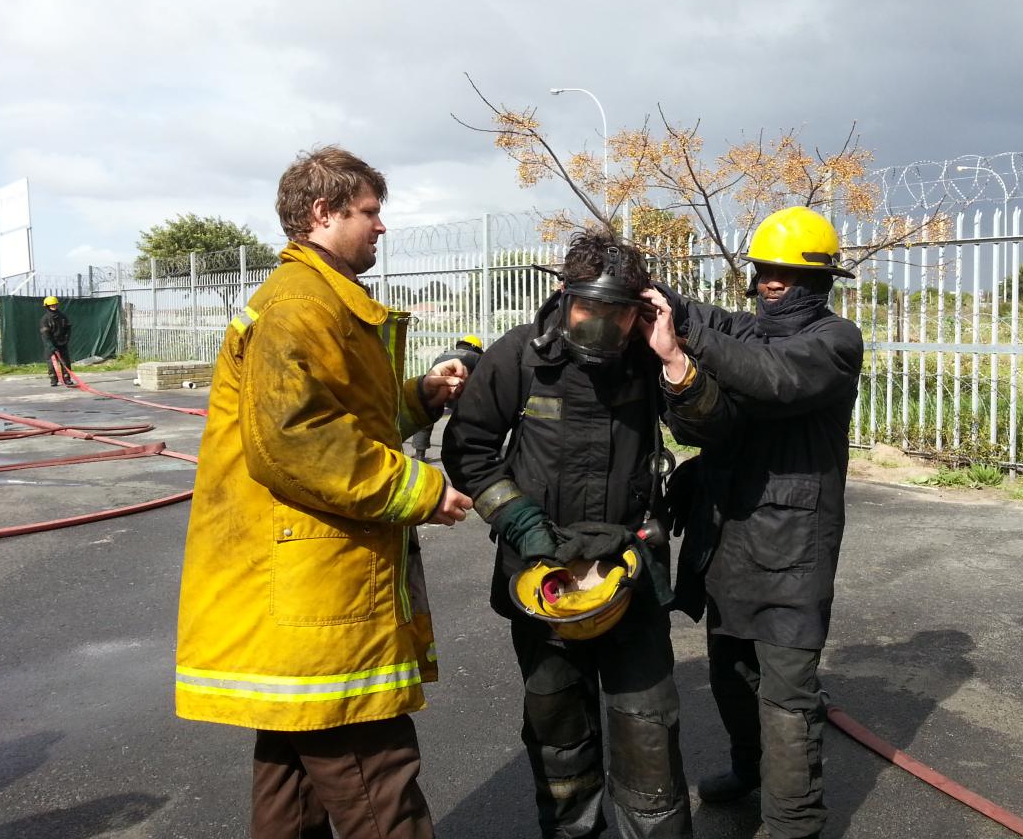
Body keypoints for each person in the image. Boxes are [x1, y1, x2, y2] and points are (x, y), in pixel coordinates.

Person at [174, 146, 474, 839]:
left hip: (298, 602)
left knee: (292, 791)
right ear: (323, 213)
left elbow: (345, 416)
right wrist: (422, 489)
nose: (380, 227)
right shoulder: (301, 307)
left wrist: (421, 396)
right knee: (380, 788)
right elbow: (299, 441)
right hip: (321, 600)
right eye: (370, 212)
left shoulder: (317, 301)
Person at [442, 230, 693, 839]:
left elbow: (707, 424)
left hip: (627, 573)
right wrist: (522, 523)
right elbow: (470, 449)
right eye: (591, 310)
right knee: (559, 730)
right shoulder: (517, 356)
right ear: (563, 295)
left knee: (648, 733)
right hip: (542, 575)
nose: (603, 327)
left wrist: (673, 357)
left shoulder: (647, 356)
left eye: (619, 313)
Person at [645, 206, 864, 839]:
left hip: (794, 551)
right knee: (731, 675)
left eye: (785, 275)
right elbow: (707, 319)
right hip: (731, 540)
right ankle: (750, 769)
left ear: (818, 281)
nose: (771, 283)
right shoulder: (748, 330)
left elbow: (772, 377)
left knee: (788, 696)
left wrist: (688, 342)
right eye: (764, 271)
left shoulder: (833, 342)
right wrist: (657, 300)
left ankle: (794, 823)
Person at [411, 335, 484, 462]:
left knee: (427, 418)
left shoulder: (443, 355)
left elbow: (431, 373)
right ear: (476, 348)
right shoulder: (476, 357)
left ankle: (419, 454)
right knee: (462, 420)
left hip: (437, 385)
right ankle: (460, 454)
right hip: (459, 388)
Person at [39, 295, 74, 387]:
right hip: (50, 344)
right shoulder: (45, 319)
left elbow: (68, 328)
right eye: (51, 305)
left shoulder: (62, 316)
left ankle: (67, 379)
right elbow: (45, 335)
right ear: (47, 306)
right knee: (51, 363)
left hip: (62, 343)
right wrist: (51, 346)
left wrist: (66, 339)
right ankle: (54, 380)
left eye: (55, 305)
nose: (53, 306)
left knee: (65, 362)